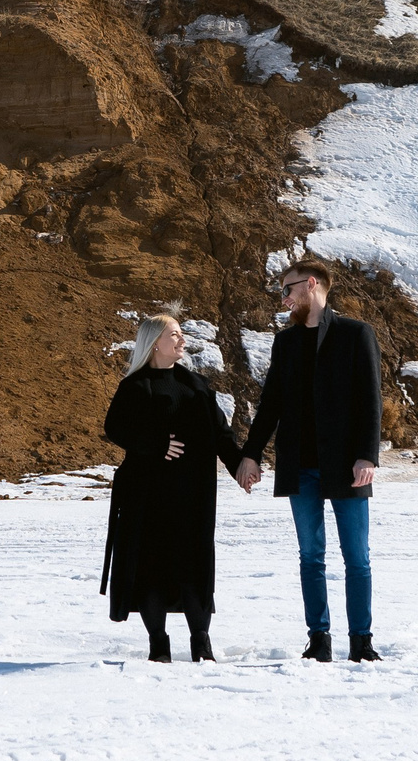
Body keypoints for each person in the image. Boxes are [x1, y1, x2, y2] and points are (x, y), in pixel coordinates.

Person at [236, 257, 382, 663]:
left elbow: (371, 399)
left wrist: (367, 456)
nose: (283, 298)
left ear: (311, 284)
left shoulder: (356, 333)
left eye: (288, 289)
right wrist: (251, 454)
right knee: (311, 556)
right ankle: (319, 638)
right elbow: (270, 404)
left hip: (347, 464)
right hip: (299, 465)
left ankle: (361, 641)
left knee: (357, 557)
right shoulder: (286, 342)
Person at [101, 314, 246, 662]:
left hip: (194, 496)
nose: (182, 340)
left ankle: (201, 643)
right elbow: (115, 428)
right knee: (152, 569)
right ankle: (158, 644)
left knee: (195, 568)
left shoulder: (196, 384)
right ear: (154, 343)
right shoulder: (135, 387)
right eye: (175, 335)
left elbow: (221, 433)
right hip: (148, 497)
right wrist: (156, 444)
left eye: (181, 334)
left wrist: (240, 466)